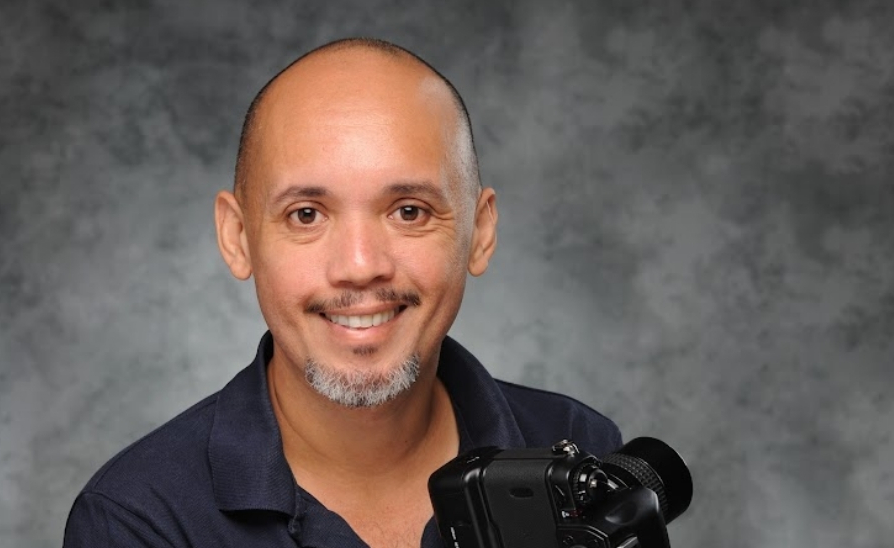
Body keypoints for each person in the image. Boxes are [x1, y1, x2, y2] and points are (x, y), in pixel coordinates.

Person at [63, 37, 621, 548]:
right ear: (238, 239)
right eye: (306, 214)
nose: (360, 267)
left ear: (481, 233)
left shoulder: (577, 444)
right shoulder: (136, 521)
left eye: (409, 211)